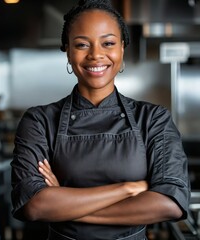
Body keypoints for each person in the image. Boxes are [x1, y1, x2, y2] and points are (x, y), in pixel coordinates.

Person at [10, 0, 190, 239]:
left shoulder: (153, 119)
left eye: (108, 43)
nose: (96, 55)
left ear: (122, 48)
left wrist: (64, 203)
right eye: (82, 44)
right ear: (67, 50)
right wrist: (127, 189)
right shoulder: (39, 121)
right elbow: (34, 205)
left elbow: (171, 202)